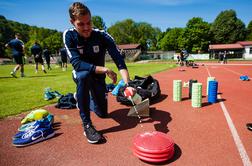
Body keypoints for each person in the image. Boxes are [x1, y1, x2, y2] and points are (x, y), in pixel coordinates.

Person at [63, 2, 135, 144]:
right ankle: (87, 125)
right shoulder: (69, 35)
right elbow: (77, 64)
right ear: (72, 22)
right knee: (84, 76)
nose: (86, 28)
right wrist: (105, 69)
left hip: (98, 78)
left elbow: (119, 60)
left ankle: (80, 98)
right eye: (81, 24)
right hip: (81, 74)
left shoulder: (102, 36)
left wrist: (127, 84)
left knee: (102, 113)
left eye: (89, 23)